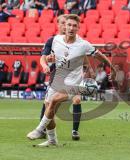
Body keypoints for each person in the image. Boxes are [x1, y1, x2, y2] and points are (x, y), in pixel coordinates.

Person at [27, 14, 116, 147]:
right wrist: (47, 62)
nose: (71, 28)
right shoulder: (56, 40)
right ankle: (52, 140)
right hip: (57, 81)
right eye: (69, 25)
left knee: (54, 100)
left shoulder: (83, 44)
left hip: (73, 84)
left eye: (74, 26)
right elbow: (47, 57)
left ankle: (40, 129)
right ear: (64, 26)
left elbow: (100, 55)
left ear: (78, 28)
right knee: (49, 109)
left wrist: (112, 68)